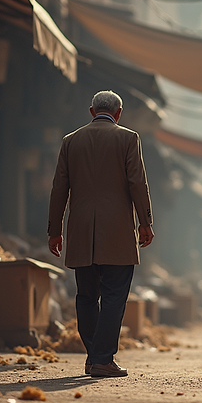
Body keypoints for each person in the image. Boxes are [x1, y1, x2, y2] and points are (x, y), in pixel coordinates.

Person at [48, 90, 154, 378]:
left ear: (91, 111)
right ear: (118, 113)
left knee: (85, 296)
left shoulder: (70, 141)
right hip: (117, 231)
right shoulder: (128, 138)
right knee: (114, 296)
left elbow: (59, 188)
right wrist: (145, 222)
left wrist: (54, 230)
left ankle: (93, 356)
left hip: (81, 230)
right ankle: (103, 359)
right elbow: (137, 183)